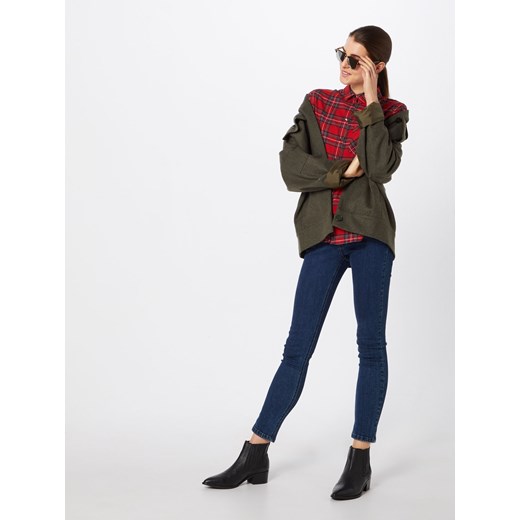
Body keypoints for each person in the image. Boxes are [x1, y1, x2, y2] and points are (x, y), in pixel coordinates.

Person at [202, 25, 410, 500]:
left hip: (371, 236)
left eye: (356, 59)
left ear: (377, 66)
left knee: (370, 347)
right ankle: (256, 451)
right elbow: (290, 167)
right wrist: (341, 171)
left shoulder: (392, 112)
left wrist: (371, 101)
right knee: (296, 349)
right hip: (323, 236)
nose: (344, 64)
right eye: (342, 54)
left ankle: (360, 457)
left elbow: (380, 167)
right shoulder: (317, 103)